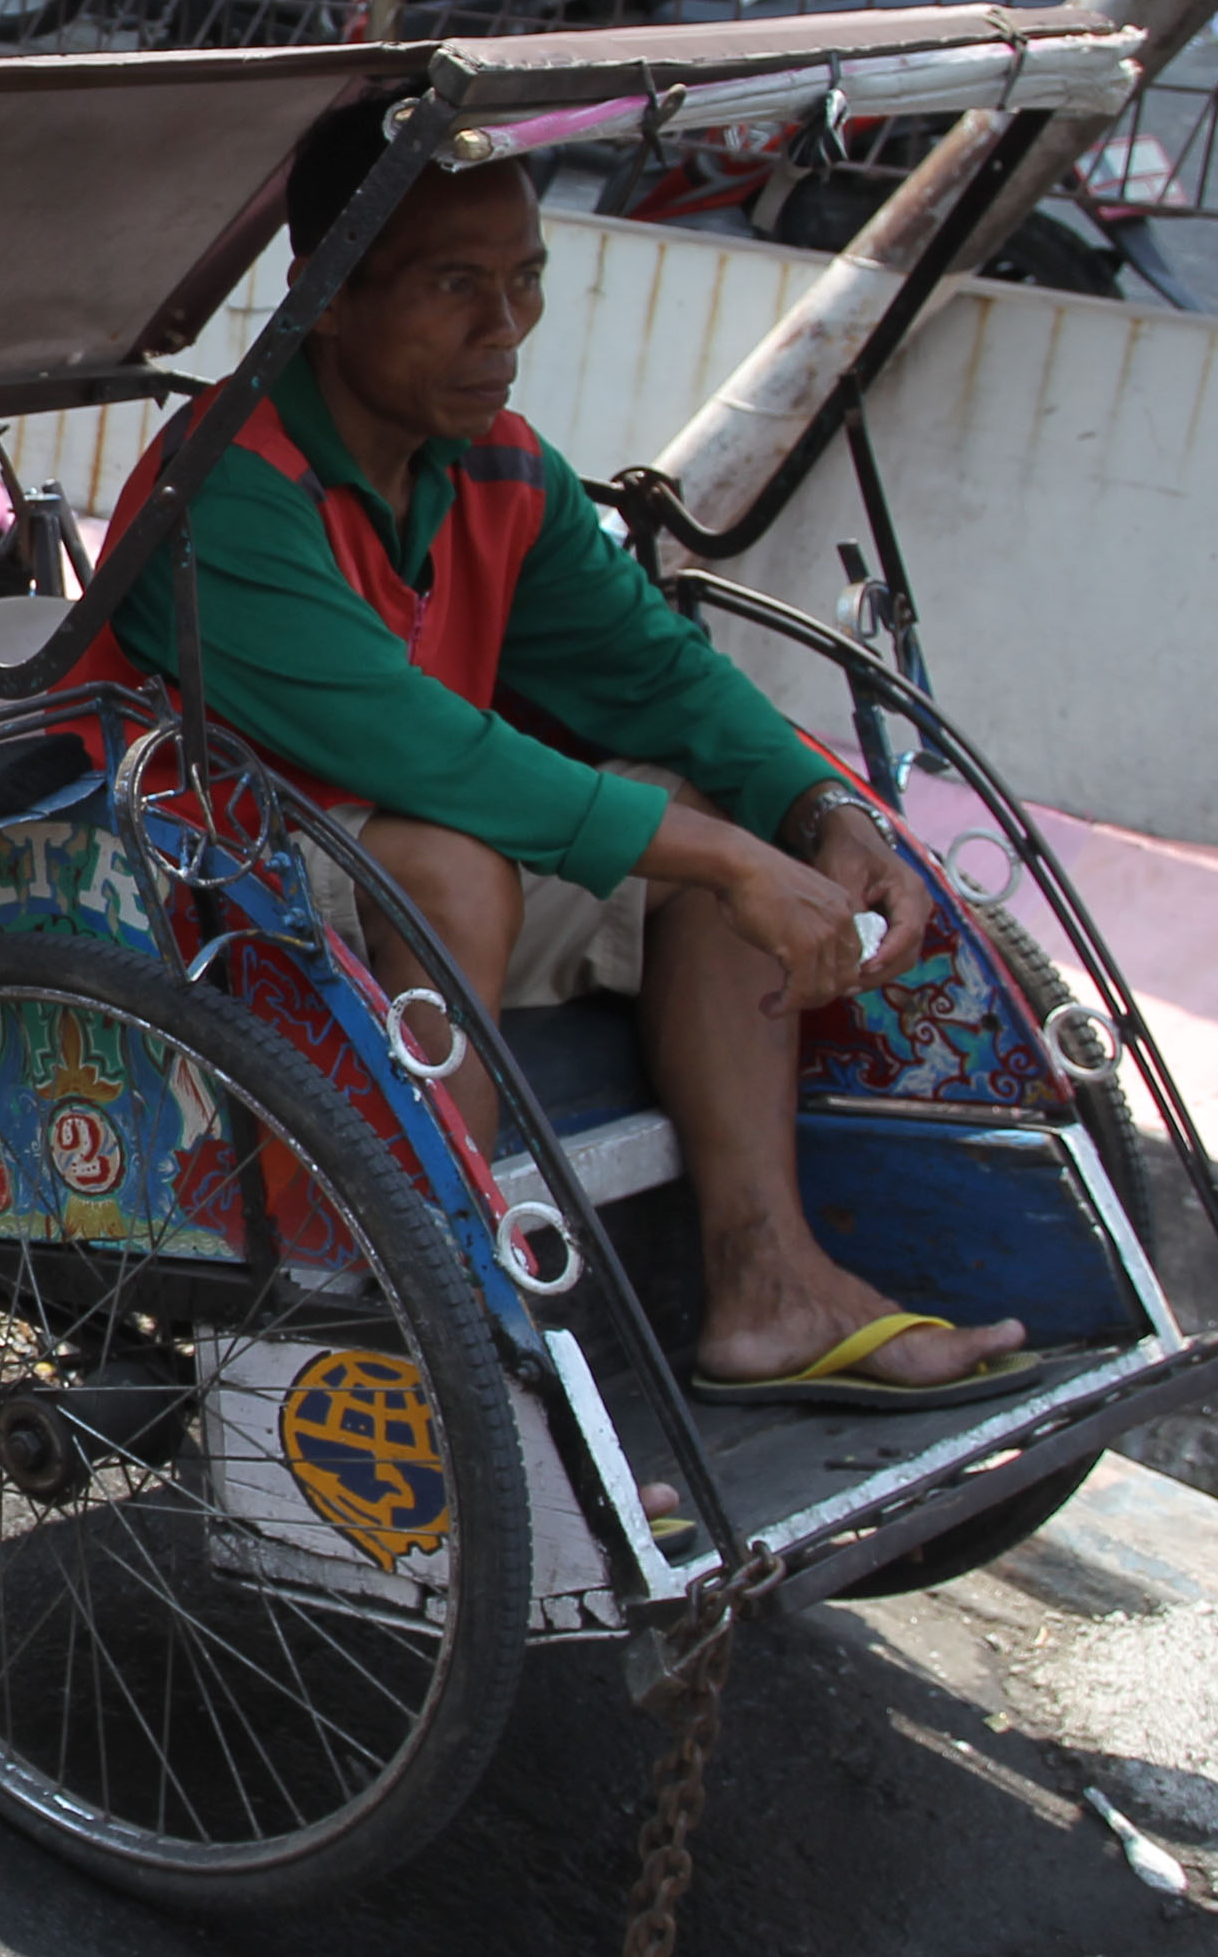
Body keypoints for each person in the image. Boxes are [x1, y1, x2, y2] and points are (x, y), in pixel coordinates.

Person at [75, 100, 1030, 1412]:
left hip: (384, 885)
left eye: (523, 280)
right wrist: (730, 850)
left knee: (696, 837)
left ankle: (766, 1285)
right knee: (462, 858)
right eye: (454, 285)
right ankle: (425, 1339)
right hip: (192, 897)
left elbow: (651, 670)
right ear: (330, 297)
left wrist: (817, 810)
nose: (504, 328)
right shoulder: (232, 486)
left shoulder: (493, 463)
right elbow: (427, 751)